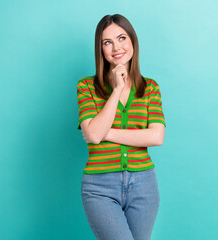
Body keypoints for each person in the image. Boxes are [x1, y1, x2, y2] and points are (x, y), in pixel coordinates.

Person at [76, 14, 166, 240]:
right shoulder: (86, 86)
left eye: (122, 38)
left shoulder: (149, 88)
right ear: (101, 50)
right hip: (100, 186)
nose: (116, 47)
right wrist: (116, 90)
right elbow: (93, 136)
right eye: (107, 42)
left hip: (144, 185)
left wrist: (105, 132)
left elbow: (156, 136)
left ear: (132, 41)